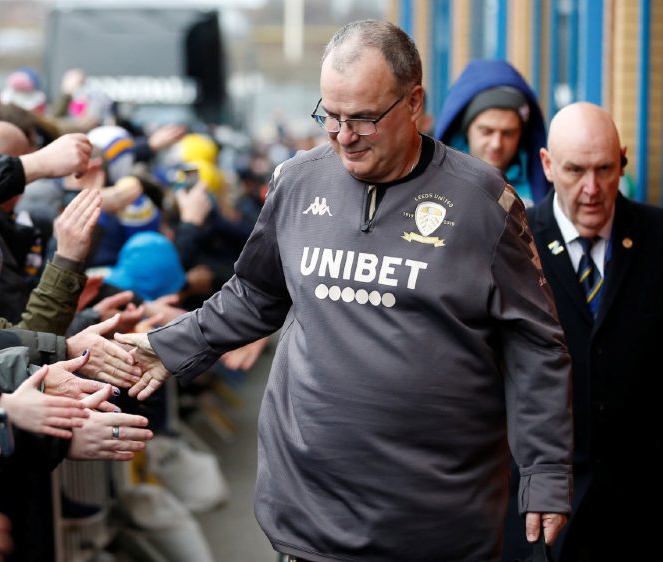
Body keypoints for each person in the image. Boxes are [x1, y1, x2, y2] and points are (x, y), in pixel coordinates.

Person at [116, 20, 573, 562]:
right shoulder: (297, 181)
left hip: (437, 525)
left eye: (363, 118)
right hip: (308, 517)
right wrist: (168, 346)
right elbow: (256, 294)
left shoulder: (482, 203)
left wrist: (545, 469)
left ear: (414, 102)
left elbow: (536, 344)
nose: (342, 135)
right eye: (330, 115)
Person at [502, 102, 663, 562]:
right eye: (575, 171)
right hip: (535, 520)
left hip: (638, 518)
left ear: (623, 162)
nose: (592, 189)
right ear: (548, 166)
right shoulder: (512, 243)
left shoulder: (657, 239)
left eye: (605, 170)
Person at [436, 59, 550, 207]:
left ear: (522, 134)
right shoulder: (438, 180)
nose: (497, 144)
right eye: (486, 132)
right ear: (466, 129)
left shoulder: (544, 188)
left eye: (508, 133)